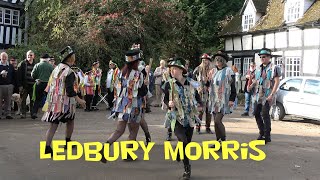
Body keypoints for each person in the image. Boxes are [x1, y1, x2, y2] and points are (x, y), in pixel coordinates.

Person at [100, 49, 148, 163]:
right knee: (133, 131)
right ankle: (128, 154)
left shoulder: (121, 73)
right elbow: (142, 92)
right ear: (136, 62)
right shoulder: (138, 74)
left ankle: (104, 148)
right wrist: (145, 84)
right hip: (134, 106)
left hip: (121, 105)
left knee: (119, 130)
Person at [42, 46, 86, 155]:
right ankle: (67, 142)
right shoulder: (69, 71)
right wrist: (79, 100)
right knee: (69, 121)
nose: (74, 58)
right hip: (65, 102)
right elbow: (70, 90)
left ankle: (48, 147)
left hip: (54, 101)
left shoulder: (56, 69)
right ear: (70, 58)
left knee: (54, 124)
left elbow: (50, 85)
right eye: (73, 56)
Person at [163, 57, 202, 180]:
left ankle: (179, 152)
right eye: (170, 69)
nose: (172, 71)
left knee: (187, 143)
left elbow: (197, 97)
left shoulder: (191, 82)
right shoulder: (168, 84)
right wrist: (169, 104)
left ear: (181, 70)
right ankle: (187, 170)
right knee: (184, 141)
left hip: (189, 117)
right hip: (176, 117)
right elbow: (165, 99)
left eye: (174, 69)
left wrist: (200, 106)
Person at [251, 48, 281, 144]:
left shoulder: (274, 68)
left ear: (269, 57)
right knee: (256, 112)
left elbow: (276, 82)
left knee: (265, 114)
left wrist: (272, 94)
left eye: (264, 57)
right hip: (258, 95)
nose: (262, 58)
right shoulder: (258, 68)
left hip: (268, 95)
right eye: (260, 57)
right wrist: (252, 85)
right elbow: (257, 80)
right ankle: (262, 132)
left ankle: (267, 136)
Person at [209, 53, 237, 146]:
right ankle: (218, 142)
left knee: (218, 120)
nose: (217, 61)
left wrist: (231, 99)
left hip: (224, 100)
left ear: (223, 61)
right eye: (216, 59)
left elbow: (233, 87)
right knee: (215, 122)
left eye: (219, 60)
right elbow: (209, 84)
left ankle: (223, 141)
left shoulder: (229, 71)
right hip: (214, 100)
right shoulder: (213, 71)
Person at [193, 53, 213, 134]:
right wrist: (197, 88)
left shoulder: (212, 70)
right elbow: (193, 81)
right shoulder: (197, 69)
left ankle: (207, 127)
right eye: (203, 60)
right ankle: (198, 127)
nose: (205, 62)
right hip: (200, 93)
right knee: (200, 111)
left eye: (206, 60)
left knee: (209, 111)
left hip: (209, 93)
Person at [31, 54, 54, 119]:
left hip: (39, 83)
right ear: (47, 59)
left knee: (37, 99)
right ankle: (50, 113)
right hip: (48, 85)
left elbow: (33, 75)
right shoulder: (50, 66)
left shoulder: (37, 65)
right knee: (49, 99)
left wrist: (37, 78)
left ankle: (34, 113)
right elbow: (53, 75)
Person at [17, 50, 36, 119]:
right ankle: (23, 113)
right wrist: (20, 85)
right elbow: (18, 75)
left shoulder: (35, 64)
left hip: (33, 85)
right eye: (28, 55)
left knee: (32, 100)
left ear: (33, 56)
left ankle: (32, 113)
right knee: (23, 100)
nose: (29, 56)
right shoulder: (22, 63)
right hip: (24, 85)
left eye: (31, 55)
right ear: (26, 56)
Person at [0, 52, 15, 119]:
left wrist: (13, 85)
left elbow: (14, 76)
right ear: (0, 57)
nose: (4, 58)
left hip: (9, 86)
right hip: (0, 85)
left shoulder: (10, 66)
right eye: (3, 56)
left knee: (8, 100)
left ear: (7, 58)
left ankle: (8, 114)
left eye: (5, 57)